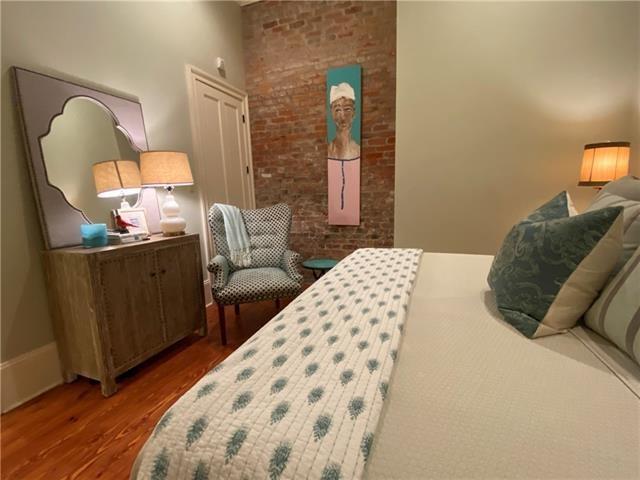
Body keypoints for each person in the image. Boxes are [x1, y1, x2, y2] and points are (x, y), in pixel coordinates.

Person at [327, 82, 360, 225]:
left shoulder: (357, 150)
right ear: (331, 113)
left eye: (347, 109)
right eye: (337, 110)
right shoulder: (329, 150)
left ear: (354, 112)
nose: (342, 116)